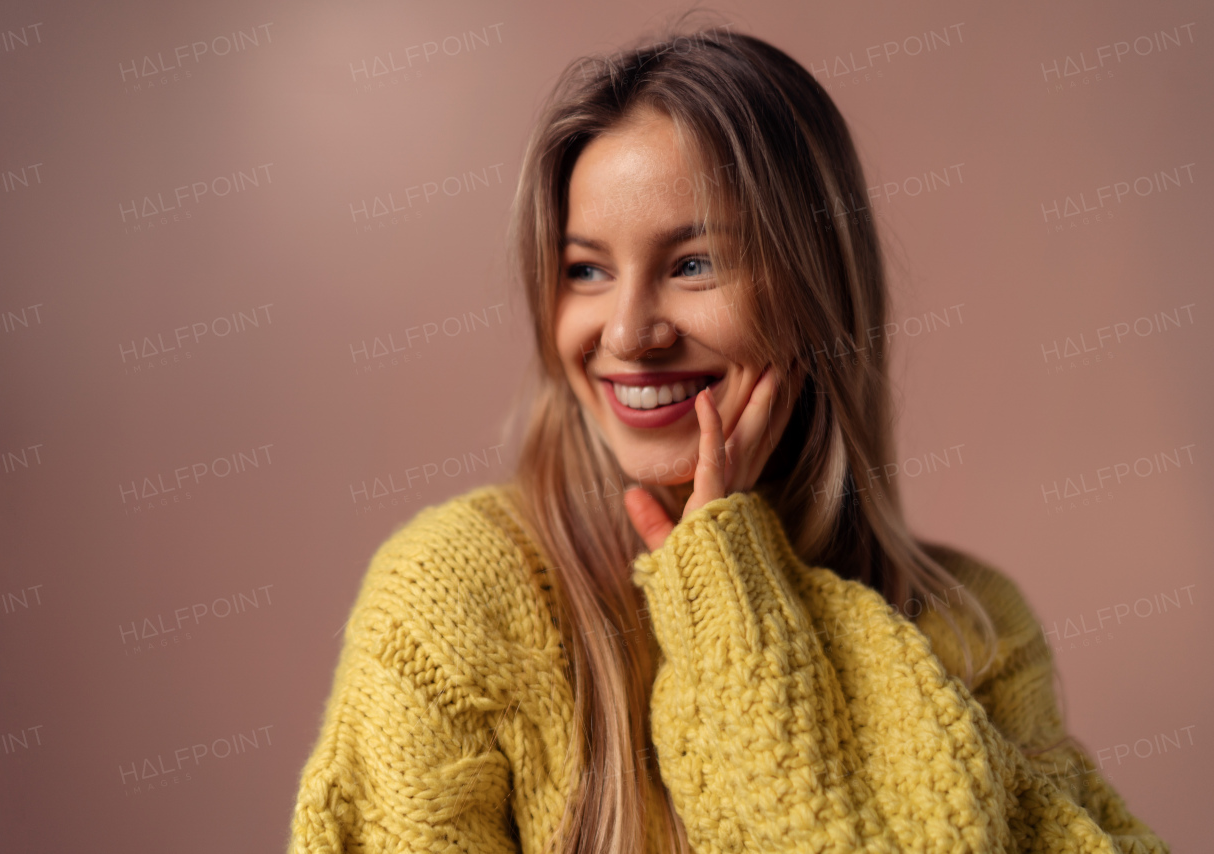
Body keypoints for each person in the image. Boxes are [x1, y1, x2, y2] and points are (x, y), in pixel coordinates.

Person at [286, 25, 1169, 854]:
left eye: (693, 264)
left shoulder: (978, 627)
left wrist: (731, 592)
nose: (628, 333)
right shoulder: (447, 602)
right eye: (585, 270)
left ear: (815, 295)